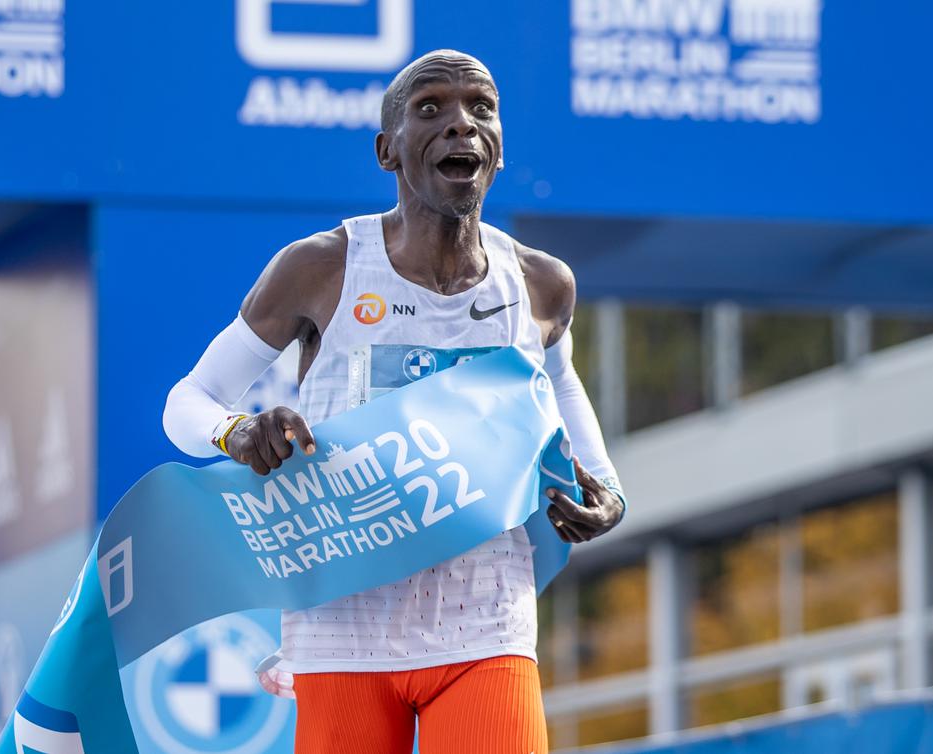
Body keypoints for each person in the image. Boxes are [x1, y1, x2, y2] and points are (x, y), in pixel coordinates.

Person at [163, 49, 626, 754]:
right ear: (388, 150)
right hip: (343, 624)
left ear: (498, 149)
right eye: (431, 108)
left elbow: (560, 381)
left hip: (487, 621)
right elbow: (188, 400)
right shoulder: (322, 267)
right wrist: (238, 433)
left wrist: (609, 488)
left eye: (482, 108)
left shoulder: (540, 284)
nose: (461, 126)